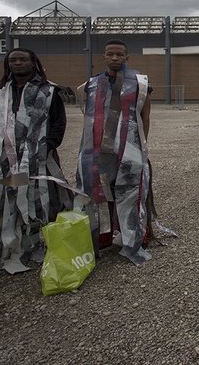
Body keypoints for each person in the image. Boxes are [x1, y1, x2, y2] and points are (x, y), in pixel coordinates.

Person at [0, 48, 69, 273]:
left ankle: (33, 243)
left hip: (37, 158)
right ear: (7, 65)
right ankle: (9, 244)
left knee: (37, 200)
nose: (18, 63)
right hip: (4, 160)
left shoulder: (49, 92)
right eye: (13, 60)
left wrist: (48, 145)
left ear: (33, 63)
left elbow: (59, 122)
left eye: (23, 59)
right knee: (6, 199)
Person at [76, 39, 152, 265]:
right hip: (99, 148)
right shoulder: (91, 85)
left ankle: (134, 234)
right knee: (100, 188)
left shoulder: (140, 83)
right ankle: (104, 234)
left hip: (130, 147)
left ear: (127, 57)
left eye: (119, 54)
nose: (115, 58)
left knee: (130, 190)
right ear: (104, 57)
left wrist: (142, 143)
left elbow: (144, 116)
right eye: (110, 54)